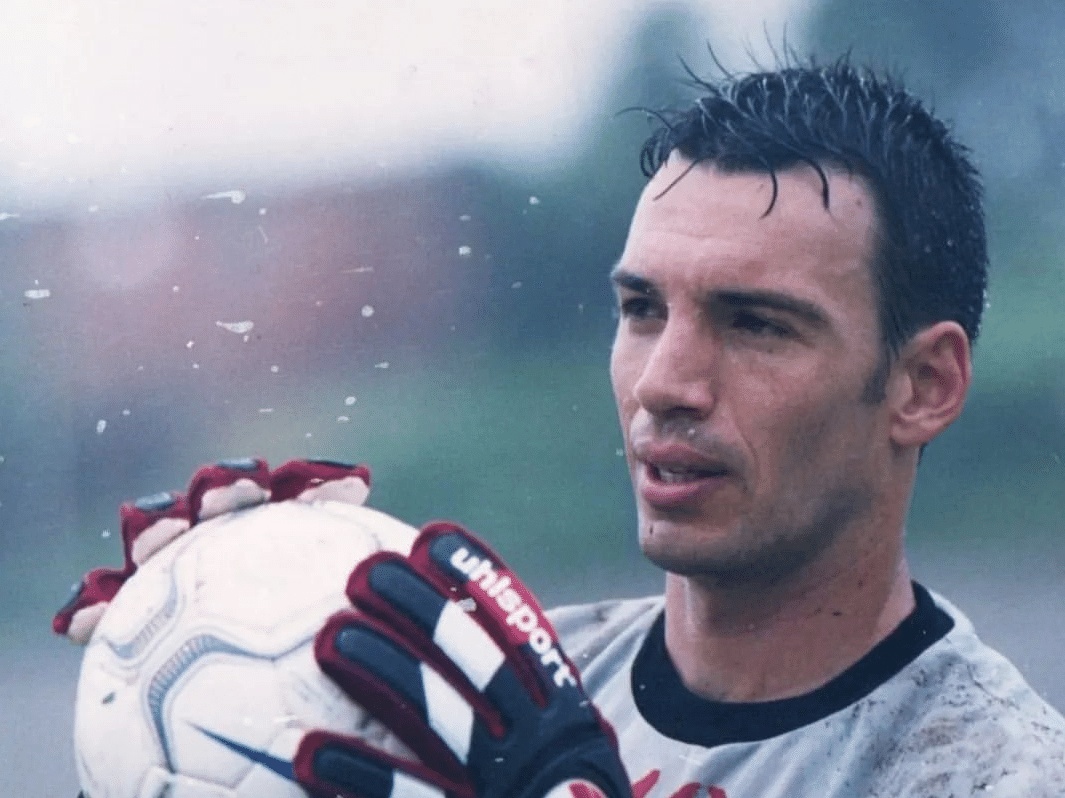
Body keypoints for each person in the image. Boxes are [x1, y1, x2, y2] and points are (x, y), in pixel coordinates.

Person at [57, 57, 1065, 798]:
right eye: (640, 311)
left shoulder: (994, 772)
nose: (664, 383)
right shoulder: (474, 685)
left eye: (756, 324)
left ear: (923, 385)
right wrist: (252, 607)